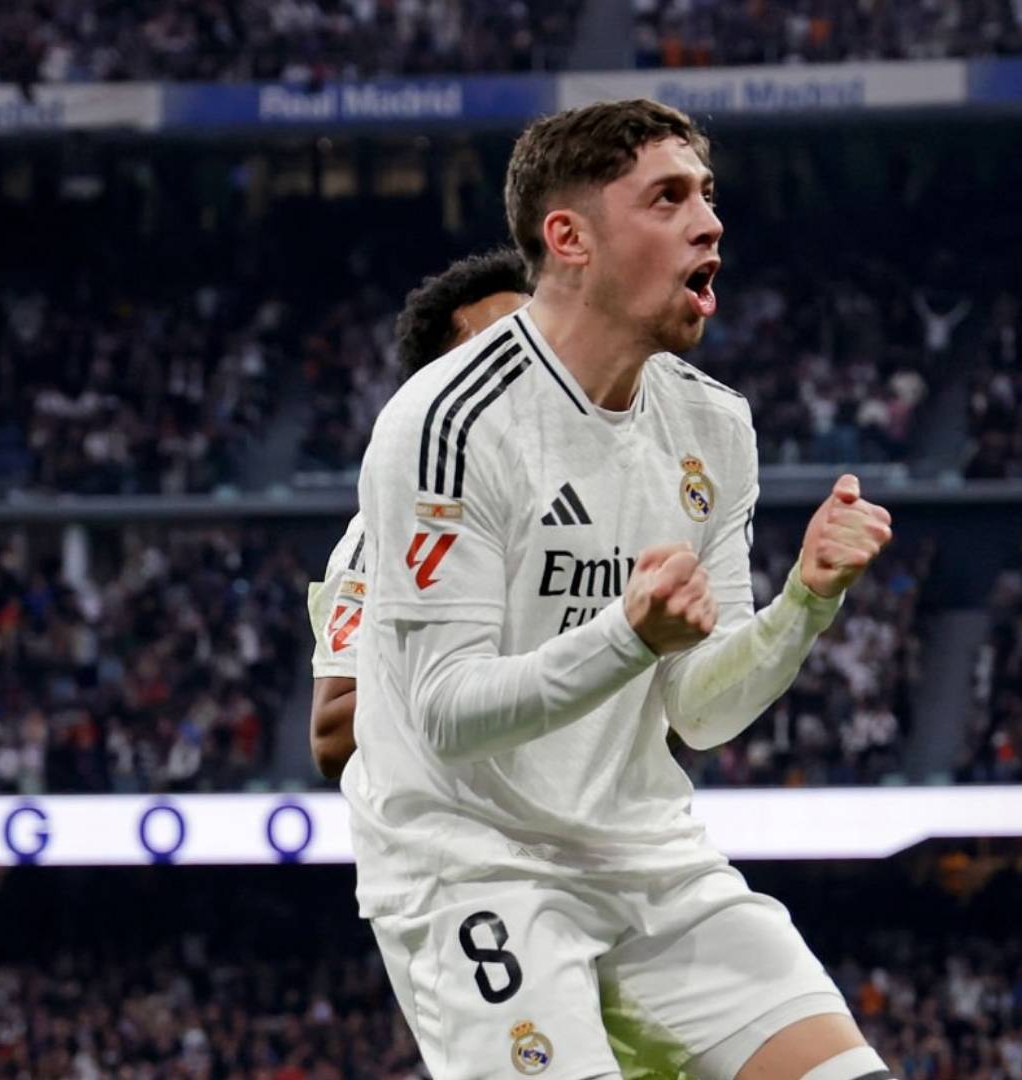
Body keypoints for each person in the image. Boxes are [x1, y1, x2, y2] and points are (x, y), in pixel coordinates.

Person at [348, 99, 897, 1080]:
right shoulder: (449, 421)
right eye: (668, 198)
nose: (710, 223)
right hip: (475, 865)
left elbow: (702, 710)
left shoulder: (712, 426)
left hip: (646, 856)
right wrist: (627, 637)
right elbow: (445, 713)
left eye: (709, 195)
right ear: (570, 239)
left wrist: (807, 603)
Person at [308, 248, 532, 779]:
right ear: (437, 385)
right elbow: (331, 736)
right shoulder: (380, 530)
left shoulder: (599, 497)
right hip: (465, 824)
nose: (523, 369)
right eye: (492, 353)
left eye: (532, 347)